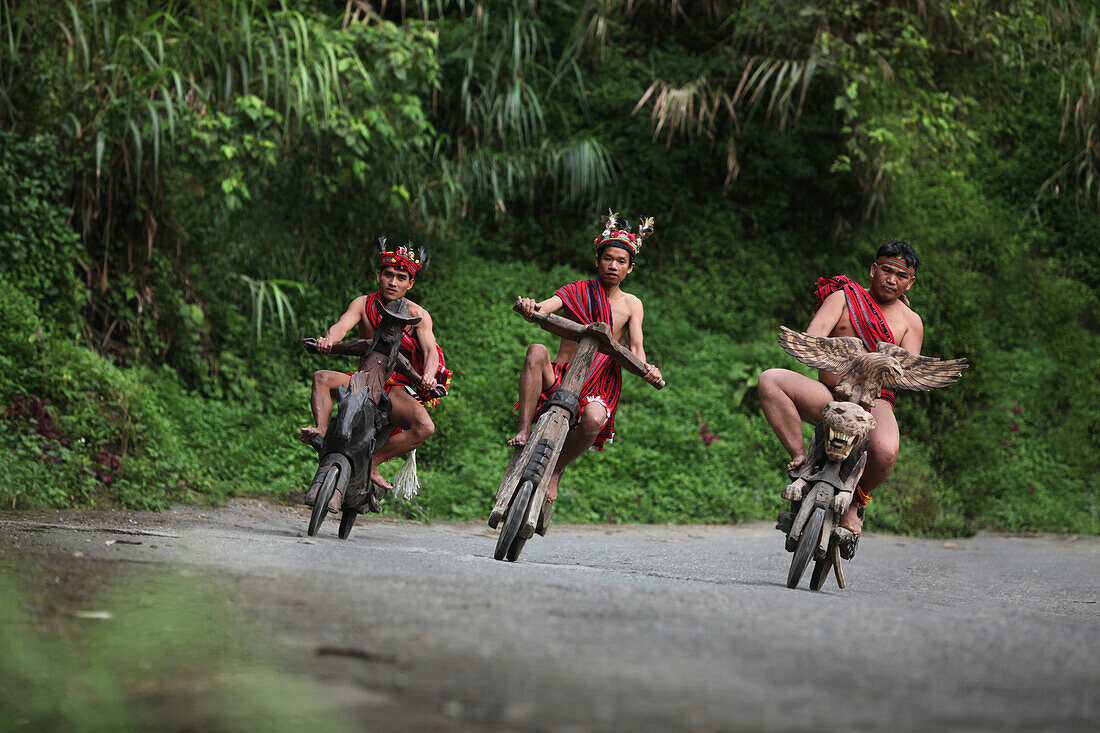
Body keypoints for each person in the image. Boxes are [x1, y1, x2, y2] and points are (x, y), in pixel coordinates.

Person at [757, 240, 924, 545]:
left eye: (900, 276)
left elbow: (909, 374)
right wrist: (847, 353)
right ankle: (799, 459)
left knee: (886, 451)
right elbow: (813, 337)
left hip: (876, 403)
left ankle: (857, 501)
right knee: (771, 380)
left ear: (910, 282)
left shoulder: (911, 321)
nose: (891, 279)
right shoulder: (843, 298)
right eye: (886, 270)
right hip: (830, 394)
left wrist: (881, 366)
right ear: (873, 269)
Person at [509, 211, 663, 505]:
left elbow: (637, 349)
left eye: (621, 261)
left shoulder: (633, 305)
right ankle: (525, 428)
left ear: (630, 268)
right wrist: (531, 306)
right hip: (561, 375)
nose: (613, 265)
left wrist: (648, 368)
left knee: (593, 419)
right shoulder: (575, 290)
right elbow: (543, 308)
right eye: (608, 258)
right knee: (536, 349)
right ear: (597, 260)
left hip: (599, 383)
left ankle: (556, 470)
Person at [300, 239, 451, 508]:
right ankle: (321, 431)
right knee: (321, 377)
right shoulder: (363, 303)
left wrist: (427, 376)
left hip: (395, 387)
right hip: (362, 379)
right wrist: (328, 341)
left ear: (410, 284)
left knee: (426, 427)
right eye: (388, 275)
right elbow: (341, 328)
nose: (393, 282)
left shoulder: (419, 316)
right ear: (378, 276)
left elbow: (430, 351)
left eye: (401, 277)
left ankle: (374, 462)